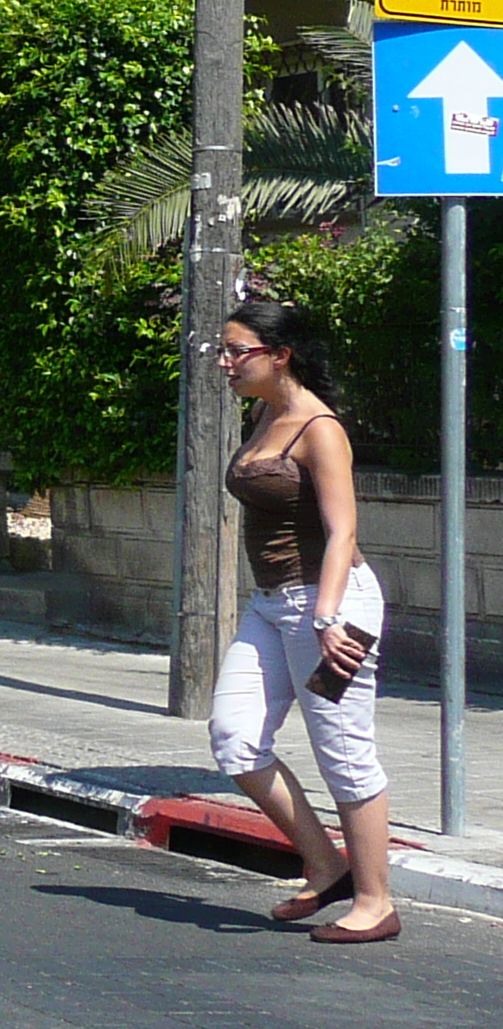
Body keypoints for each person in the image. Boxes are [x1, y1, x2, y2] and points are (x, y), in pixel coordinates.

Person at [208, 298, 397, 942]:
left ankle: (376, 903)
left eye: (237, 350)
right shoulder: (264, 412)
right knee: (235, 739)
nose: (225, 361)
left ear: (279, 355)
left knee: (343, 752)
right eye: (223, 349)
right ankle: (327, 867)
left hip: (335, 610)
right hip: (270, 607)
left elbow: (343, 530)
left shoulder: (319, 427)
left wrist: (326, 618)